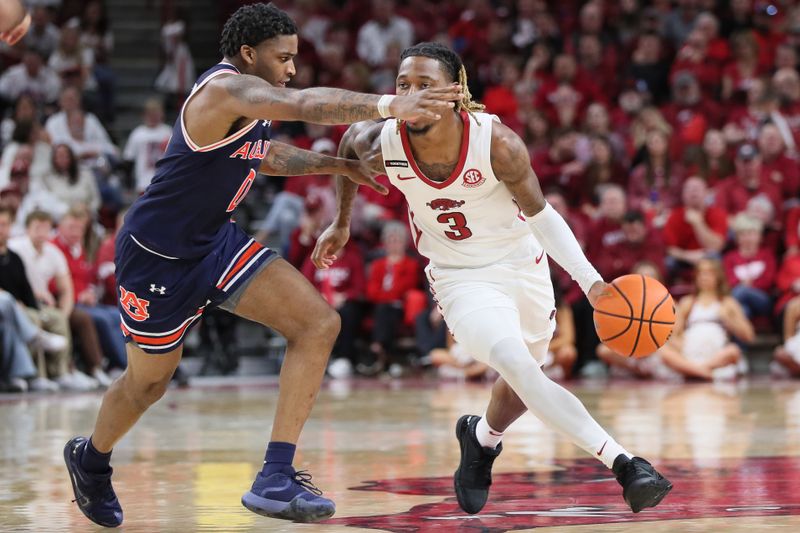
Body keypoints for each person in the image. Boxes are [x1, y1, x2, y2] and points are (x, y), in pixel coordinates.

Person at [62, 4, 462, 528]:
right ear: (249, 54)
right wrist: (392, 104)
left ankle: (276, 475)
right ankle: (90, 460)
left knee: (318, 324)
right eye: (284, 57)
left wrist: (336, 165)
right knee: (148, 384)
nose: (292, 68)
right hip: (157, 255)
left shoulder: (248, 102)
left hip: (216, 244)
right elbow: (306, 104)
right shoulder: (225, 91)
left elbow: (261, 153)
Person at [312, 42, 671, 516]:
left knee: (525, 378)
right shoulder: (383, 142)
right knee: (517, 365)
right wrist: (341, 221)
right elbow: (346, 148)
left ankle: (481, 440)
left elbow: (543, 216)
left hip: (523, 265)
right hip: (459, 277)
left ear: (456, 91)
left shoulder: (496, 143)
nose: (411, 93)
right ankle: (625, 465)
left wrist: (592, 283)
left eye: (425, 84)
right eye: (403, 85)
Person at [658, 259, 755, 381]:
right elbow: (673, 335)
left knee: (733, 351)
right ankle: (703, 372)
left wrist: (730, 320)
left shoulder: (727, 302)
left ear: (718, 277)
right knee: (663, 351)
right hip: (690, 350)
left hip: (716, 353)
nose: (704, 277)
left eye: (709, 273)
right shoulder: (688, 302)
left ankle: (695, 371)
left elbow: (749, 336)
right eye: (701, 273)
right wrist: (680, 343)